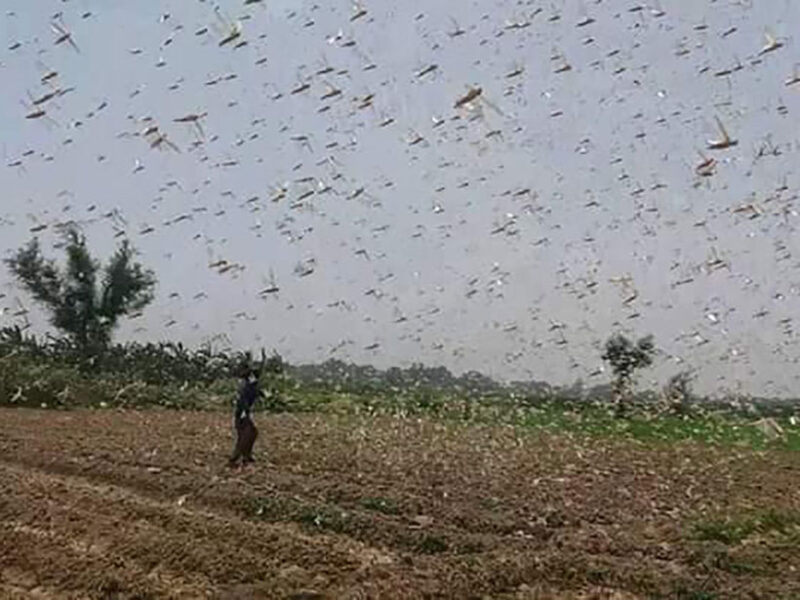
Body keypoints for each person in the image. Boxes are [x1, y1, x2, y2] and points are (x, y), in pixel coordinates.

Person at [228, 367, 265, 468]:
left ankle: (246, 456)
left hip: (242, 414)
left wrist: (261, 395)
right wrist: (245, 411)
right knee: (247, 435)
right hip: (242, 414)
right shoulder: (247, 387)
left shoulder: (251, 386)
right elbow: (243, 400)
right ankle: (235, 458)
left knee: (250, 434)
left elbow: (255, 392)